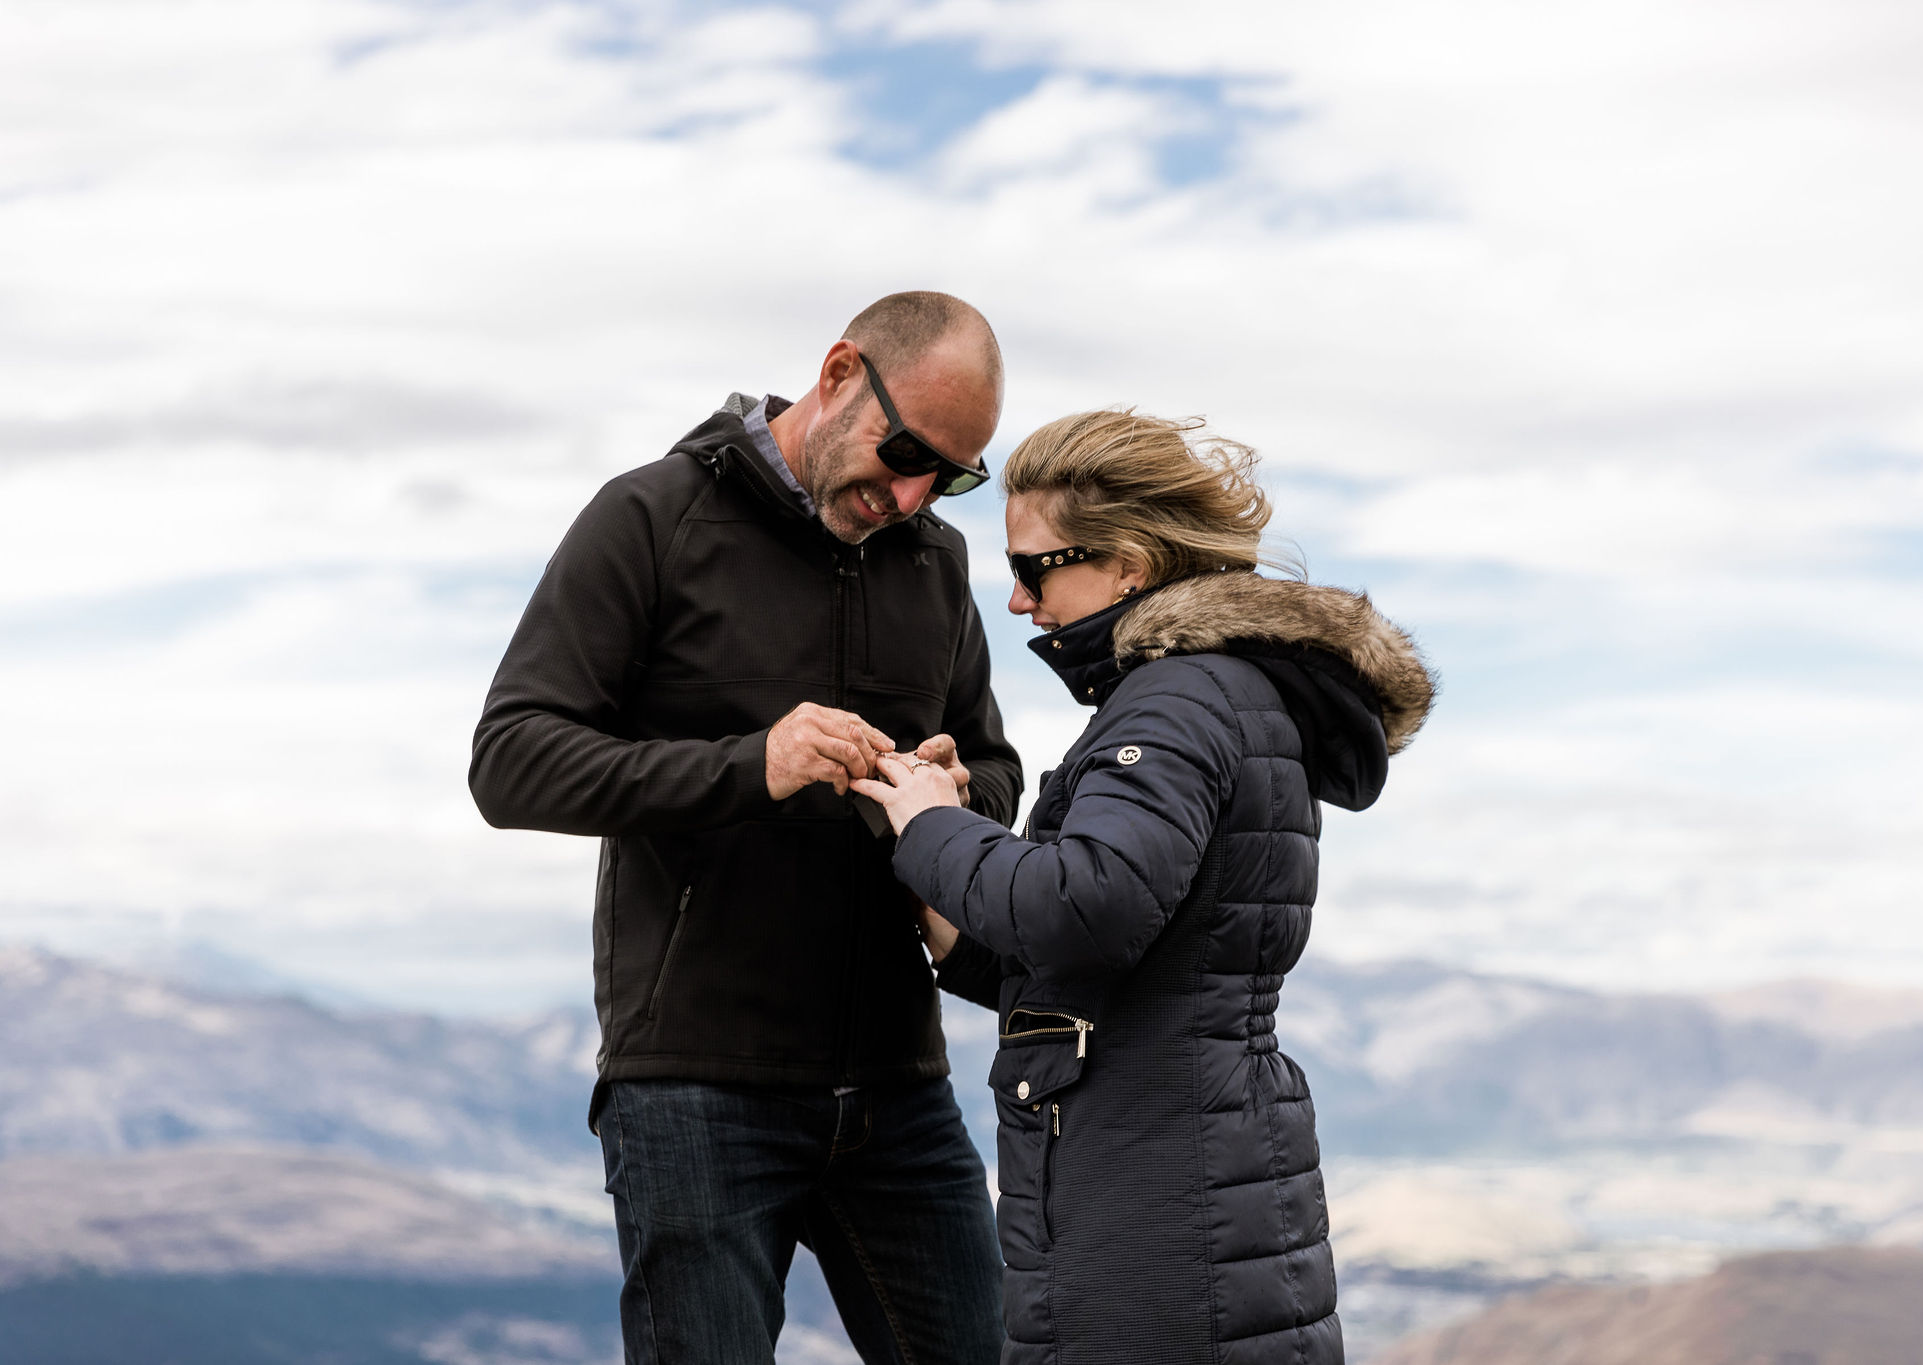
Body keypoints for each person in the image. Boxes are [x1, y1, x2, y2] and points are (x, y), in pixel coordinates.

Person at [469, 292, 1023, 1364]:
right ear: (835, 373)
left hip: (900, 1086)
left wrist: (958, 797)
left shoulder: (933, 560)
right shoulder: (649, 521)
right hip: (695, 1091)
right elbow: (511, 763)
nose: (908, 496)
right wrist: (749, 766)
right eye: (900, 451)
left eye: (948, 476)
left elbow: (991, 764)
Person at [853, 410, 1435, 1365]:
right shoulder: (1220, 691)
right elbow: (1105, 956)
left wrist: (932, 824)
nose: (1014, 600)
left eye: (1034, 566)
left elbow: (1088, 905)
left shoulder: (1175, 698)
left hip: (1152, 1209)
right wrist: (945, 898)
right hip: (1194, 1181)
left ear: (1127, 564)